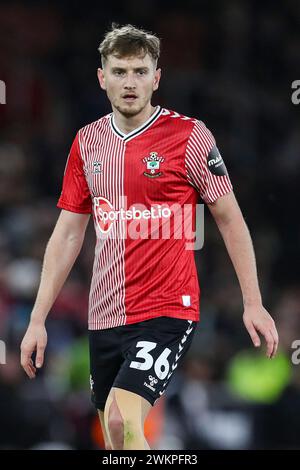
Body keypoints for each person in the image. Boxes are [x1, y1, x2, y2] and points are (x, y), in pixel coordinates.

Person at [20, 24, 279, 450]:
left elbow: (230, 219)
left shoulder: (189, 137)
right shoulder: (87, 143)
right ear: (102, 78)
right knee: (114, 435)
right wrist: (36, 319)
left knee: (125, 420)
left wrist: (253, 302)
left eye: (141, 71)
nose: (130, 82)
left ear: (156, 78)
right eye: (120, 71)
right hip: (104, 314)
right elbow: (68, 233)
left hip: (167, 309)